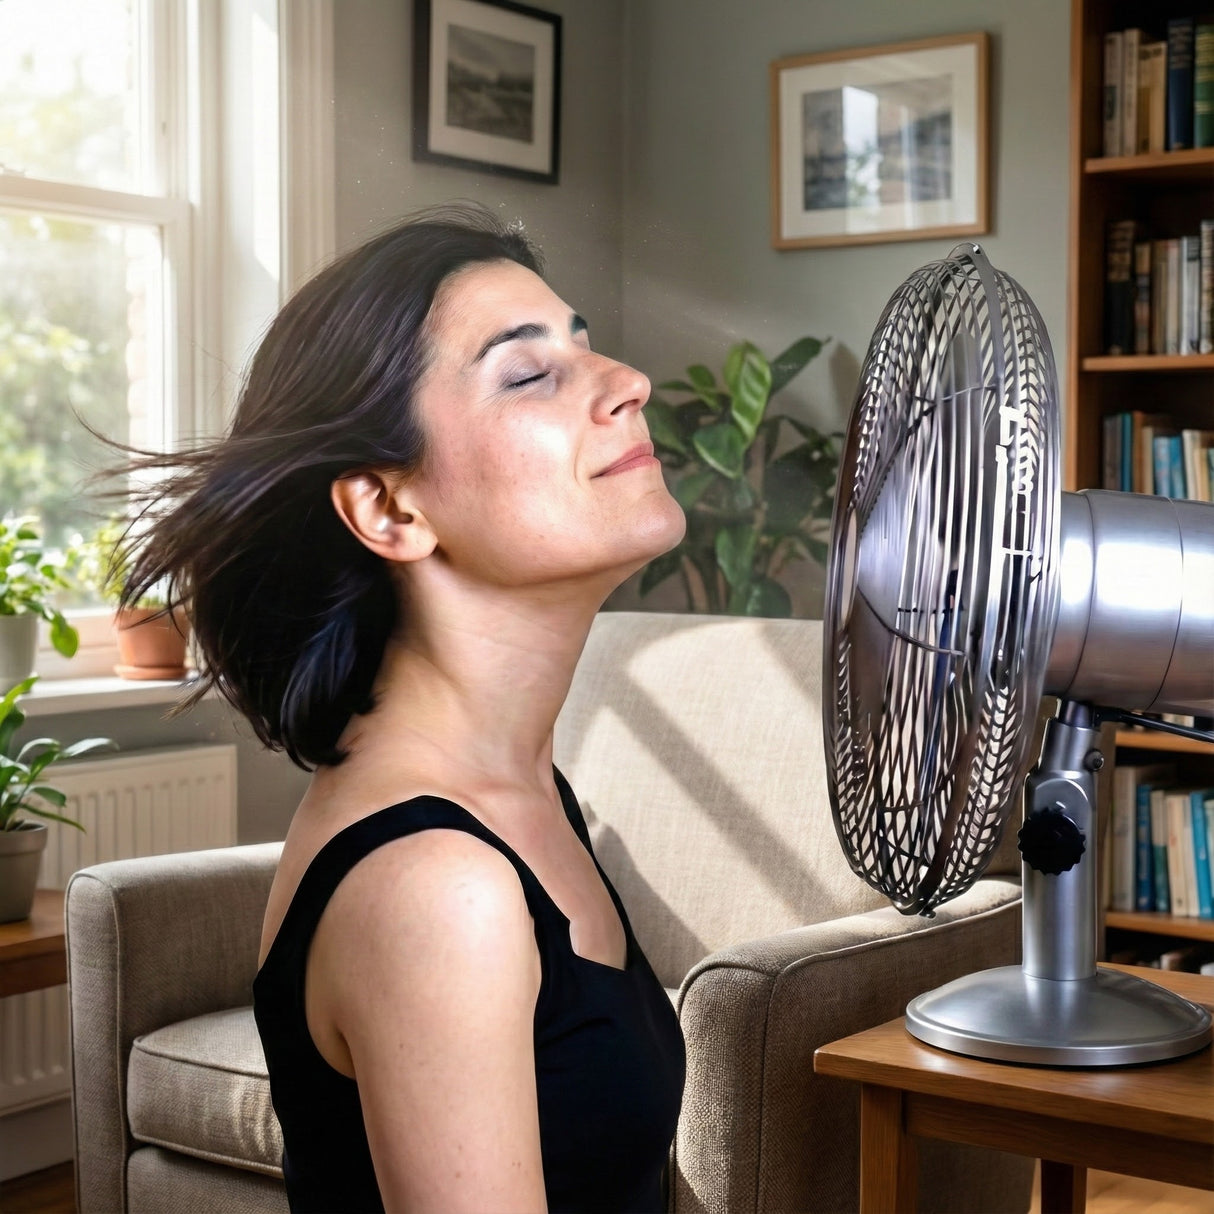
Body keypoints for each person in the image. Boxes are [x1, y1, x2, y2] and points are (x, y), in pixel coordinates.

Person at [119, 205, 688, 1213]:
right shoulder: (439, 881)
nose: (627, 383)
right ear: (389, 509)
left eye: (585, 344)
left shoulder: (516, 789)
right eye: (528, 373)